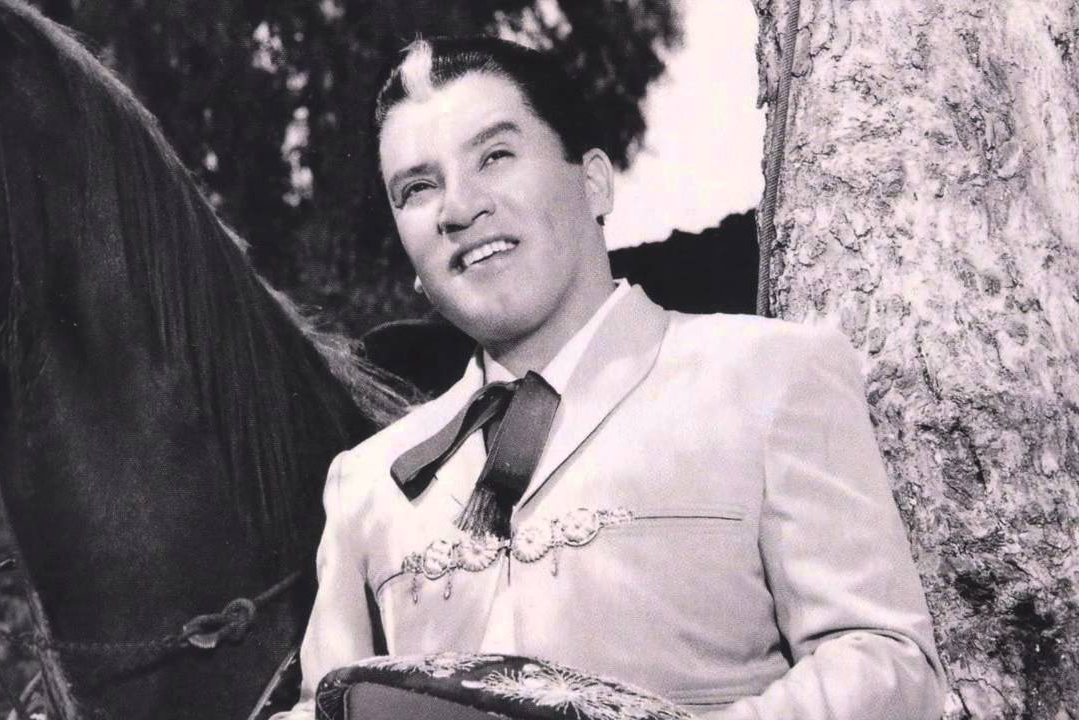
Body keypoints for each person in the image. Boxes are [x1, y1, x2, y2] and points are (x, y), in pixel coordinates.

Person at [274, 36, 946, 720]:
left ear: (594, 182)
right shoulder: (367, 482)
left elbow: (887, 666)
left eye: (495, 156)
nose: (458, 208)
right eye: (417, 188)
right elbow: (325, 707)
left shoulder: (769, 377)